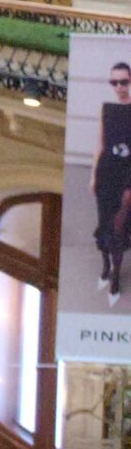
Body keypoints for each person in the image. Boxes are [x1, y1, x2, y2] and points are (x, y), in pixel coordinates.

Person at [95, 62, 131, 303]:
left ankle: (115, 277)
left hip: (127, 174)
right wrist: (92, 175)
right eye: (114, 82)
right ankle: (106, 267)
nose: (119, 87)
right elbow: (99, 144)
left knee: (119, 227)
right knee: (103, 222)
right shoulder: (106, 108)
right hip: (106, 170)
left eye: (123, 82)